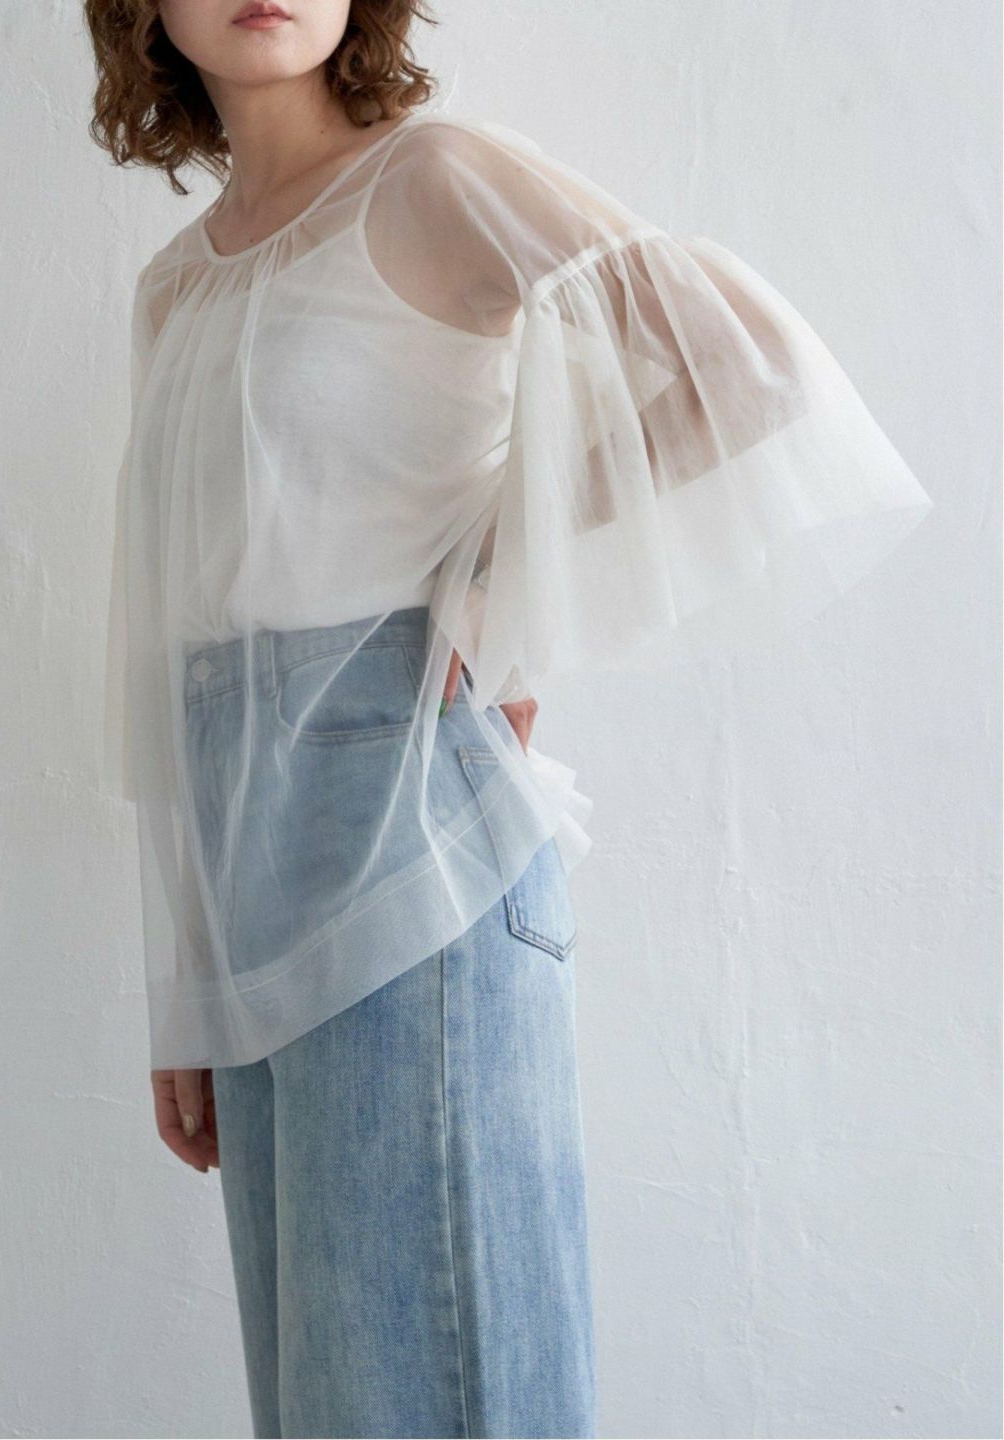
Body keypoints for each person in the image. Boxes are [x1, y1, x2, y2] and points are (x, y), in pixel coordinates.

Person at [85, 2, 934, 1435]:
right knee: (333, 1410)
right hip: (249, 891)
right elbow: (173, 656)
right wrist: (187, 980)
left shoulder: (431, 177)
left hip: (418, 850)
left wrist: (497, 573)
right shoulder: (174, 289)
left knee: (436, 1395)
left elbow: (748, 367)